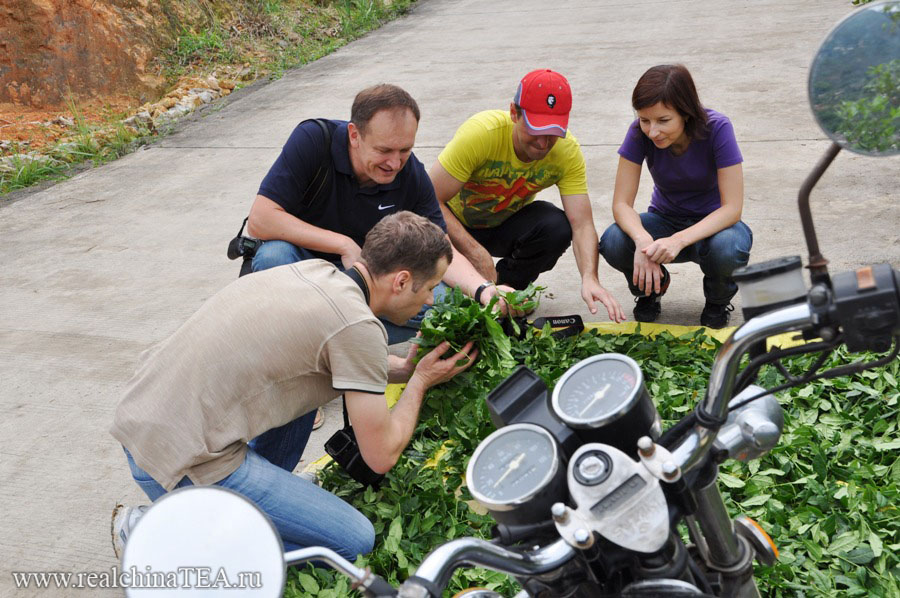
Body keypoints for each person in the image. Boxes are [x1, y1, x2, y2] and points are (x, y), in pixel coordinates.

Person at [110, 212, 477, 561]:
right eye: (429, 288)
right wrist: (421, 383)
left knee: (306, 388)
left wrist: (409, 369)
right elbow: (380, 455)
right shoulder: (357, 327)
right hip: (183, 461)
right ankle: (161, 536)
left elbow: (348, 363)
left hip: (147, 424)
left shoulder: (318, 273)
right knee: (354, 545)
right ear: (400, 281)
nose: (430, 300)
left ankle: (264, 498)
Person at [245, 83, 516, 345]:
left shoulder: (410, 173)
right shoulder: (314, 140)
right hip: (307, 275)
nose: (394, 163)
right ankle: (325, 337)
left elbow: (440, 249)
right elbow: (261, 219)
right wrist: (342, 244)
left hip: (369, 284)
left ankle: (331, 337)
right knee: (273, 257)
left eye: (405, 150)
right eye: (384, 150)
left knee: (449, 306)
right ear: (354, 135)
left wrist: (483, 290)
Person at [428, 69, 625, 322]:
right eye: (536, 130)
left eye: (553, 133)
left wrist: (590, 277)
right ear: (514, 113)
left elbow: (583, 224)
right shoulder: (481, 135)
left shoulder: (567, 152)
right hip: (453, 228)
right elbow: (429, 201)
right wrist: (475, 251)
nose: (543, 143)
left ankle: (508, 292)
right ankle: (478, 286)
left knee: (556, 226)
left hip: (503, 224)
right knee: (437, 307)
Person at [598, 64, 752, 328]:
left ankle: (717, 299)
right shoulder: (638, 133)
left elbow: (732, 209)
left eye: (663, 120)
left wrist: (678, 240)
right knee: (613, 240)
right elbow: (621, 204)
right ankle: (651, 289)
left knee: (728, 247)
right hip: (664, 219)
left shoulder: (717, 128)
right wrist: (641, 239)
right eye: (645, 120)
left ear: (686, 112)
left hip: (714, 227)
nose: (652, 131)